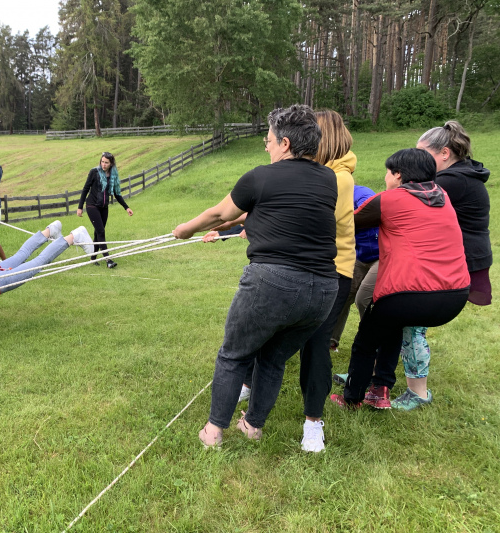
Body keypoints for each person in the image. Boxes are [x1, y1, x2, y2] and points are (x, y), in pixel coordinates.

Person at [173, 104, 339, 450]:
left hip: (273, 282)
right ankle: (252, 426)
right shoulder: (328, 179)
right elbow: (270, 212)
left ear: (286, 143)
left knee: (234, 354)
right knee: (274, 358)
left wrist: (186, 229)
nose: (266, 146)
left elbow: (221, 211)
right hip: (323, 290)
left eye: (269, 140)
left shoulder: (260, 177)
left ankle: (214, 431)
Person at [330, 149, 470, 411]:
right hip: (456, 295)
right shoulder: (443, 197)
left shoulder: (390, 200)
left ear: (398, 175)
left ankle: (352, 399)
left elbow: (345, 223)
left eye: (387, 172)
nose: (385, 177)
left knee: (365, 342)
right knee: (391, 326)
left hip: (409, 294)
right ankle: (380, 391)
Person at [417, 121, 491, 306]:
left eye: (423, 155)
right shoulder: (463, 173)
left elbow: (407, 203)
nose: (418, 161)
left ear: (445, 153)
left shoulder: (452, 180)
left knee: (416, 303)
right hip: (470, 253)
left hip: (464, 258)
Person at [329, 184, 380, 353]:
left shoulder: (361, 192)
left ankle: (373, 345)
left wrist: (345, 218)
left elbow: (371, 210)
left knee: (363, 298)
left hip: (381, 256)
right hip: (359, 256)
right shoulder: (330, 197)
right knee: (342, 295)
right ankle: (330, 340)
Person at [77, 152, 134, 268]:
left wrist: (126, 207)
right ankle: (108, 260)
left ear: (111, 163)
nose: (103, 164)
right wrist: (80, 207)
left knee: (98, 233)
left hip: (104, 207)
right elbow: (85, 189)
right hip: (92, 205)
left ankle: (92, 259)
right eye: (102, 161)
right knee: (101, 231)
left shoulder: (113, 175)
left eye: (106, 162)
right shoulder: (94, 172)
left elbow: (117, 194)